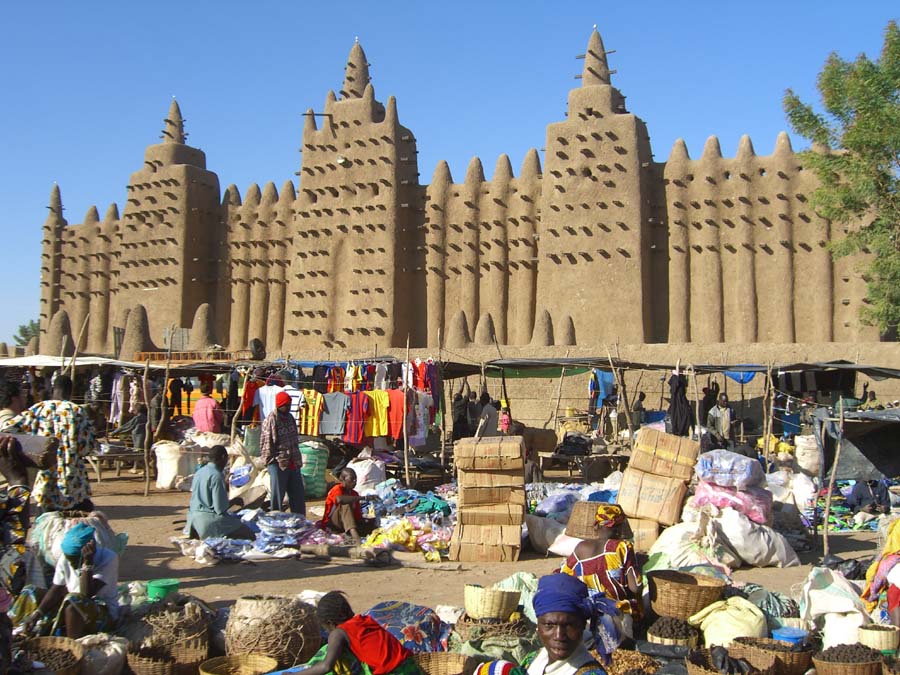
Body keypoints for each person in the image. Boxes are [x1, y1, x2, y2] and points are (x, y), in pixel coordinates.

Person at [5, 374, 94, 512]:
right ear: (70, 391)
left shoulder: (38, 409)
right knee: (77, 523)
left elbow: (8, 428)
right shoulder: (77, 411)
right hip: (73, 480)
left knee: (46, 524)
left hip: (45, 477)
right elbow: (87, 447)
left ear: (53, 389)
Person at [560, 504, 642, 637]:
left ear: (596, 525)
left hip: (587, 614)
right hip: (616, 613)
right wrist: (638, 569)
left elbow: (565, 576)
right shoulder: (622, 547)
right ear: (620, 527)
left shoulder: (581, 548)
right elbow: (635, 587)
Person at [24, 523, 119, 638]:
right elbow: (57, 588)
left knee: (73, 602)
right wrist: (37, 614)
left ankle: (73, 645)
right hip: (73, 606)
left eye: (75, 559)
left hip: (102, 612)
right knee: (30, 591)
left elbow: (86, 593)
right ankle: (21, 632)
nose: (71, 562)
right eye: (70, 558)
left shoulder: (109, 558)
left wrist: (87, 563)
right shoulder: (65, 558)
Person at [299, 590, 421, 675]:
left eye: (326, 627)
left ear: (330, 623)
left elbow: (325, 666)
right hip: (412, 667)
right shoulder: (364, 620)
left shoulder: (338, 633)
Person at [522, 574, 611, 675]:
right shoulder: (532, 661)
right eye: (549, 625)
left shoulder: (590, 672)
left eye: (569, 625)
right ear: (538, 626)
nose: (559, 636)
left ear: (582, 625)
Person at [187, 445, 254, 540]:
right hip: (208, 521)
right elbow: (219, 508)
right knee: (248, 533)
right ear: (223, 458)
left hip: (193, 520)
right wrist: (234, 501)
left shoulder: (199, 472)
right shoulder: (216, 475)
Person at [260, 391, 305, 514]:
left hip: (293, 462)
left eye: (290, 404)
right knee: (277, 496)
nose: (289, 407)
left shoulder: (290, 418)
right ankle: (275, 521)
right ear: (280, 405)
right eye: (287, 405)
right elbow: (267, 444)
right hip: (278, 463)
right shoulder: (271, 420)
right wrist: (271, 463)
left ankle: (300, 520)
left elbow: (294, 438)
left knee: (298, 494)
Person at [319, 468, 374, 545]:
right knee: (345, 504)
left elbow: (357, 516)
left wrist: (367, 521)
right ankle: (356, 538)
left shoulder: (354, 494)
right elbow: (339, 499)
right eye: (352, 479)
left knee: (371, 524)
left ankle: (353, 531)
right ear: (343, 480)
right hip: (332, 524)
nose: (355, 481)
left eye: (355, 479)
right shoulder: (337, 489)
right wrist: (363, 498)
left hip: (345, 524)